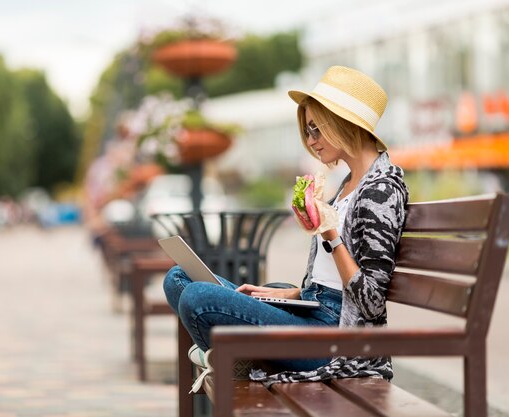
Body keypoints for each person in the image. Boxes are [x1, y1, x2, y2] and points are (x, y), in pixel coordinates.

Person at [162, 66, 409, 385]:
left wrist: (330, 233)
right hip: (313, 311)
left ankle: (235, 361)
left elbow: (371, 303)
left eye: (316, 129)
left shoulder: (380, 191)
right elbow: (328, 285)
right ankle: (241, 357)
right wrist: (289, 295)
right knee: (178, 279)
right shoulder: (349, 184)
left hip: (337, 342)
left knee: (197, 298)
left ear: (344, 122)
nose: (311, 140)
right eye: (308, 131)